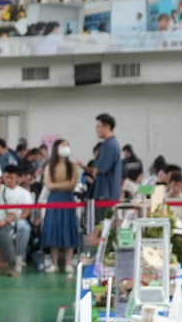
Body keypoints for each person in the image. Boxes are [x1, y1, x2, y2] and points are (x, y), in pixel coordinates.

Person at [40, 140, 82, 273]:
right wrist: (64, 184)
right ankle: (54, 263)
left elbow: (72, 184)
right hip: (54, 200)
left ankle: (68, 263)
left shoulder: (72, 166)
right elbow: (48, 184)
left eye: (67, 145)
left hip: (68, 199)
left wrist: (56, 185)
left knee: (68, 228)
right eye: (63, 145)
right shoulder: (49, 167)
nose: (65, 148)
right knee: (53, 229)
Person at [89, 113, 123, 227]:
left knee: (103, 228)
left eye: (98, 126)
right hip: (108, 193)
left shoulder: (109, 146)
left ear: (107, 127)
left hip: (105, 194)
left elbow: (98, 170)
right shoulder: (110, 144)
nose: (96, 129)